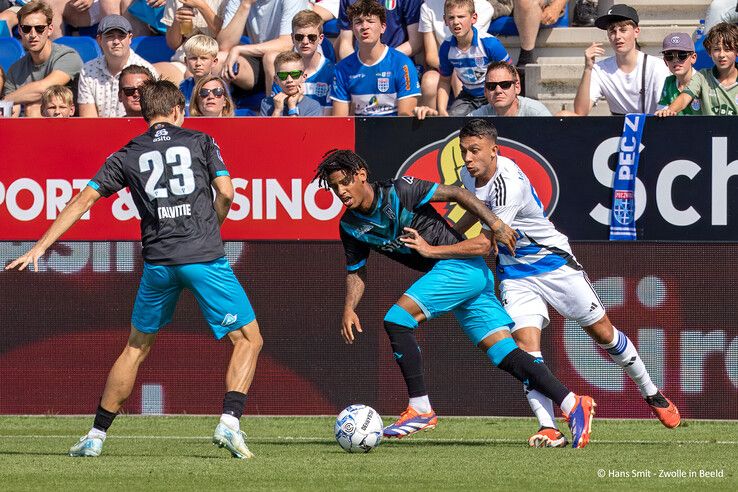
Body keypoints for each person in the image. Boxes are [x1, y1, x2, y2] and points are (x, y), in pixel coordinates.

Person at [5, 79, 263, 460]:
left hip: (158, 263)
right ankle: (229, 423)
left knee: (135, 348)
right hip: (203, 257)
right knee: (248, 340)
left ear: (144, 114)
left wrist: (40, 247)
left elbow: (82, 200)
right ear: (178, 110)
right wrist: (213, 229)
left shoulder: (127, 152)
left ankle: (95, 436)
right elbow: (225, 192)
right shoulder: (200, 141)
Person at [314, 149, 596, 448]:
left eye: (345, 182)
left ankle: (420, 408)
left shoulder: (400, 190)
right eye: (334, 187)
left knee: (397, 320)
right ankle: (572, 402)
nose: (341, 191)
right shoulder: (350, 226)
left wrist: (496, 224)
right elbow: (356, 270)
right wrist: (349, 307)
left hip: (458, 267)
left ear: (361, 175)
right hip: (467, 277)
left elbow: (459, 195)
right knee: (505, 354)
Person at [453, 118, 680, 447]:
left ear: (494, 150)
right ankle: (548, 427)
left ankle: (651, 392)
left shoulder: (508, 183)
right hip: (516, 273)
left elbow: (485, 242)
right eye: (464, 152)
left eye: (474, 151)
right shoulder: (467, 177)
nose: (468, 158)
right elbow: (474, 210)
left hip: (553, 263)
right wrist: (450, 231)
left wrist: (433, 249)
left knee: (604, 334)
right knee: (526, 350)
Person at [562, 4, 670, 116]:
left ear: (636, 32)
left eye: (623, 30)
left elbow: (665, 110)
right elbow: (580, 112)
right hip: (617, 129)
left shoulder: (656, 66)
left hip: (652, 126)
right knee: (563, 115)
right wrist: (588, 69)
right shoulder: (600, 69)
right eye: (612, 31)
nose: (617, 36)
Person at [331, 0, 420, 116]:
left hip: (394, 131)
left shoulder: (402, 64)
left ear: (383, 27)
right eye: (358, 22)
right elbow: (340, 123)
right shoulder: (342, 69)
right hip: (360, 132)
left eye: (370, 21)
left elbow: (405, 121)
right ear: (352, 28)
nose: (364, 27)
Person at [1, 1, 83, 117]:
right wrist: (8, 104)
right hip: (30, 130)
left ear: (50, 29)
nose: (33, 34)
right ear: (19, 31)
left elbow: (43, 89)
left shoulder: (68, 56)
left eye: (39, 28)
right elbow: (9, 109)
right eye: (26, 28)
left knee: (34, 109)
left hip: (71, 128)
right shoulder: (15, 70)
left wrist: (5, 100)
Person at [435, 0, 509, 116]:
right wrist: (441, 110)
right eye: (451, 17)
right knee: (453, 122)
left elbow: (511, 74)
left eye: (461, 16)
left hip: (493, 93)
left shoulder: (489, 43)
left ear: (473, 18)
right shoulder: (446, 48)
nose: (456, 22)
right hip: (468, 96)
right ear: (445, 21)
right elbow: (444, 81)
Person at [77, 14, 158, 117]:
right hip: (100, 132)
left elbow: (152, 116)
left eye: (121, 36)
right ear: (99, 40)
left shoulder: (147, 71)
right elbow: (89, 121)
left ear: (130, 38)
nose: (116, 41)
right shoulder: (87, 70)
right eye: (110, 36)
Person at [418, 0, 493, 109]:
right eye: (451, 18)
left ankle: (463, 117)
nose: (456, 21)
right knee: (429, 81)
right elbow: (431, 56)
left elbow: (468, 45)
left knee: (459, 69)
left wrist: (456, 64)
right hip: (442, 65)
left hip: (474, 66)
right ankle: (436, 122)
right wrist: (450, 64)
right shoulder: (427, 7)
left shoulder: (484, 7)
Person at [219, 0, 307, 91]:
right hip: (257, 59)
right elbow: (224, 45)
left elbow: (286, 44)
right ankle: (225, 102)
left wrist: (239, 49)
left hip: (292, 61)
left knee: (270, 57)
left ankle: (272, 103)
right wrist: (245, 5)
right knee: (219, 59)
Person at [656, 22, 738, 117]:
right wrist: (669, 110)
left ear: (736, 51)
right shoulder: (702, 76)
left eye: (727, 49)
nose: (722, 55)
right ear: (709, 52)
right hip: (710, 131)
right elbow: (684, 98)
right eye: (716, 49)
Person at [414, 62, 549, 118]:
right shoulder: (479, 116)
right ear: (485, 91)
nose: (498, 90)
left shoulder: (536, 113)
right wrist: (431, 120)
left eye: (505, 84)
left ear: (517, 86)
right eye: (491, 86)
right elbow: (452, 133)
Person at [265, 9, 334, 115]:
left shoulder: (332, 72)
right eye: (299, 37)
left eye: (311, 37)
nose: (305, 42)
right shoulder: (282, 72)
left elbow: (332, 119)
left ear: (320, 38)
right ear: (292, 38)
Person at [157, 0, 231, 84]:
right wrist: (177, 21)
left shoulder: (226, 1)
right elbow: (173, 44)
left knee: (191, 76)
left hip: (215, 59)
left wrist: (202, 6)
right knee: (149, 75)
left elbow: (227, 39)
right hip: (184, 59)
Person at [335, 0, 422, 60]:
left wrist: (383, 59)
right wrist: (356, 64)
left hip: (396, 61)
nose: (365, 26)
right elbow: (345, 44)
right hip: (360, 64)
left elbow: (415, 43)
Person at [259, 50, 323, 116]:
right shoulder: (267, 104)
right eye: (283, 75)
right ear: (276, 80)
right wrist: (277, 110)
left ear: (304, 77)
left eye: (295, 74)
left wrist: (292, 107)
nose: (289, 80)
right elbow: (268, 127)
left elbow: (296, 127)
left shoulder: (312, 106)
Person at [656, 33, 700, 116]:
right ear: (665, 61)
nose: (675, 60)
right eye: (669, 56)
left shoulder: (703, 80)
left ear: (693, 58)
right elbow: (661, 113)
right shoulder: (669, 82)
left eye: (682, 55)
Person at [179, 34, 220, 114]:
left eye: (204, 58)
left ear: (214, 62)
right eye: (193, 58)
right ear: (186, 61)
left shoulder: (219, 87)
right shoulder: (183, 86)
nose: (198, 63)